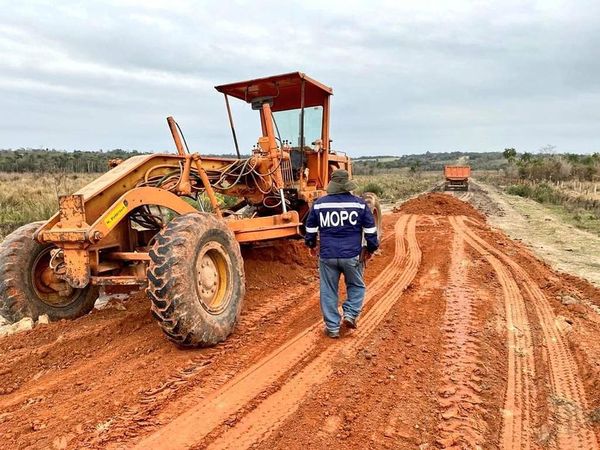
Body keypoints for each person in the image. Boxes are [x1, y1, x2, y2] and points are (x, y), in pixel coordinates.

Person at [304, 169, 379, 338]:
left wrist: (311, 244)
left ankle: (332, 328)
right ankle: (351, 314)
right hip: (352, 256)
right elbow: (370, 230)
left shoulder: (319, 204)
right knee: (357, 286)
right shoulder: (360, 204)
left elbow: (309, 229)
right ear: (347, 185)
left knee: (328, 290)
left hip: (327, 255)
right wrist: (371, 249)